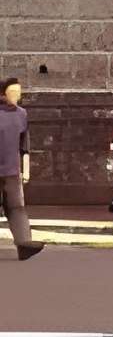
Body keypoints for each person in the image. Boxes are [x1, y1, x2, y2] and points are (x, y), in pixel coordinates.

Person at [0, 76, 43, 261]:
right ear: (2, 95)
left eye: (19, 92)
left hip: (12, 171)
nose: (17, 95)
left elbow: (24, 146)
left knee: (17, 208)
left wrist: (26, 171)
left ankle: (24, 244)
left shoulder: (21, 114)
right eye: (12, 92)